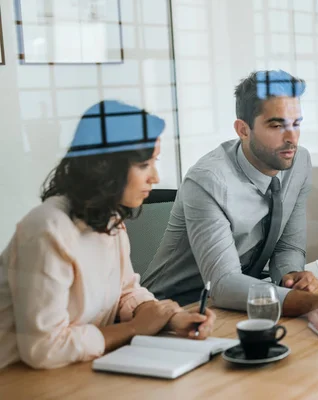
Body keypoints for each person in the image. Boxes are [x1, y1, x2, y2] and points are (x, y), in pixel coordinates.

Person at [0, 101, 216, 370]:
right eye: (144, 165)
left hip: (78, 369)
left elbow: (126, 292)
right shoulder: (46, 229)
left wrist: (170, 318)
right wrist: (136, 328)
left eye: (154, 162)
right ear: (106, 168)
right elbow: (44, 349)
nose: (155, 177)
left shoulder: (109, 218)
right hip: (18, 379)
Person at [142, 70, 318, 332]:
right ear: (243, 130)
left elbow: (287, 247)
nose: (291, 138)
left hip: (241, 305)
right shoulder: (208, 181)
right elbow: (224, 284)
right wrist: (307, 302)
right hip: (175, 314)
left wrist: (292, 280)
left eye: (296, 124)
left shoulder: (298, 163)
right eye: (276, 125)